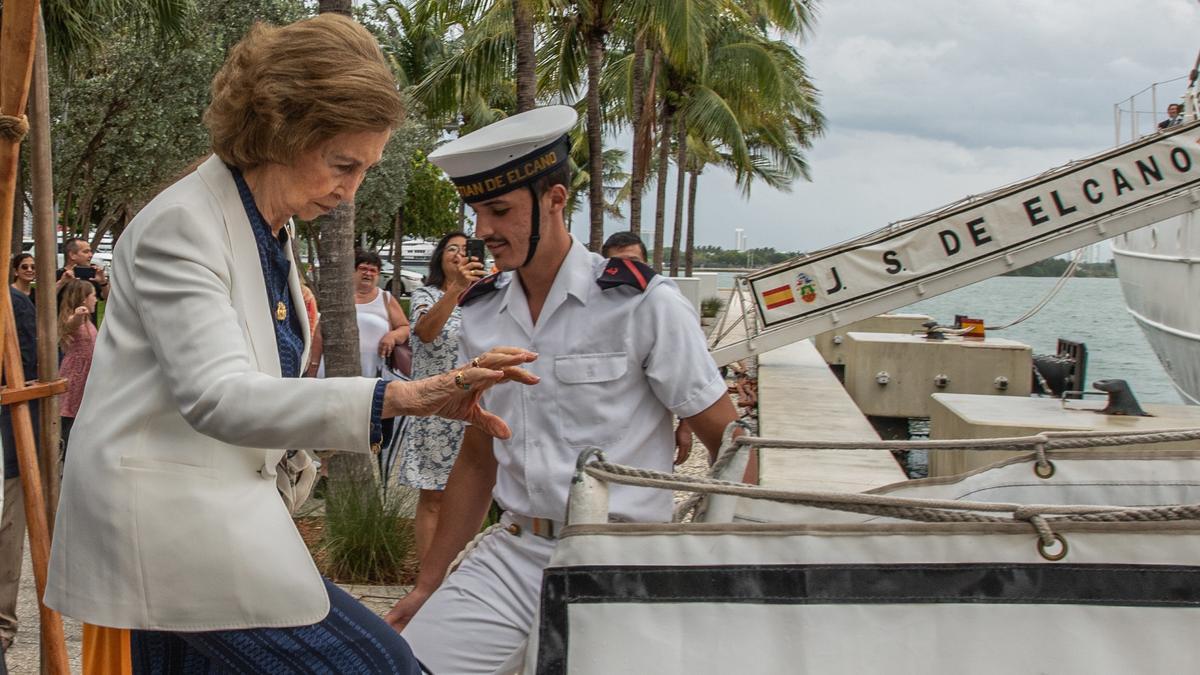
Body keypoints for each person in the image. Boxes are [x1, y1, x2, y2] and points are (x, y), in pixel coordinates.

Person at [43, 15, 537, 673]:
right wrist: (404, 395)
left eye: (366, 167)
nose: (351, 188)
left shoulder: (267, 230)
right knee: (382, 666)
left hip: (215, 518)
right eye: (343, 163)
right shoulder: (182, 228)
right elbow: (218, 397)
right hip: (169, 530)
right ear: (281, 128)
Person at [386, 105, 740, 673]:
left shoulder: (641, 303)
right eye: (476, 212)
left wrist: (724, 567)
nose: (482, 232)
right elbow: (480, 455)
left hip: (621, 558)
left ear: (554, 200)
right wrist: (430, 584)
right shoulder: (481, 313)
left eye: (499, 210)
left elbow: (728, 441)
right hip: (517, 549)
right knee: (412, 664)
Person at [394, 231, 487, 563]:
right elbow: (425, 332)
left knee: (469, 499)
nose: (460, 254)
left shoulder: (485, 298)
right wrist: (458, 288)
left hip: (476, 410)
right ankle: (429, 580)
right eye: (452, 249)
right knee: (433, 497)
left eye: (467, 250)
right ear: (440, 257)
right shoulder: (425, 295)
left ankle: (461, 576)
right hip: (436, 408)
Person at [0, 285, 37, 652]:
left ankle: (2, 619)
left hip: (6, 437)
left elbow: (30, 370)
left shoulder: (15, 304)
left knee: (7, 530)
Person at [57, 279, 98, 456]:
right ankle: (66, 459)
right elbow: (69, 325)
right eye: (93, 296)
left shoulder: (88, 321)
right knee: (70, 421)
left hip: (88, 376)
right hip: (76, 377)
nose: (96, 300)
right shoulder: (76, 319)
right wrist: (78, 315)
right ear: (83, 299)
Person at [55, 236, 109, 304]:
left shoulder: (92, 277)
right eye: (86, 252)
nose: (91, 255)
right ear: (72, 255)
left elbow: (108, 300)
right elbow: (44, 299)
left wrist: (103, 282)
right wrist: (61, 282)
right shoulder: (57, 275)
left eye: (90, 252)